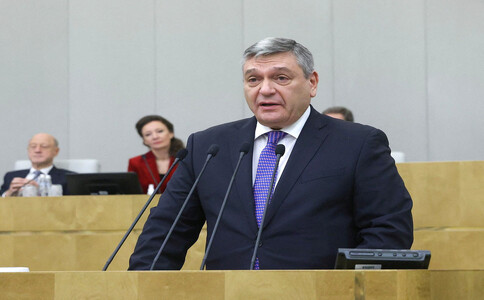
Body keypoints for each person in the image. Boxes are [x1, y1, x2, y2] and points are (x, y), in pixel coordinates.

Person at [129, 37, 413, 270]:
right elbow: (166, 231)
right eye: (253, 80)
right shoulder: (209, 146)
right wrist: (142, 284)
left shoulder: (358, 143)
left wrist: (348, 287)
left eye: (280, 77)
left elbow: (387, 230)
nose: (265, 89)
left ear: (312, 83)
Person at [0, 133, 75, 196]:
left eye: (44, 146)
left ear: (56, 151)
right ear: (28, 150)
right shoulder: (11, 176)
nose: (37, 150)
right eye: (33, 146)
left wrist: (39, 192)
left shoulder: (69, 178)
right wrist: (9, 193)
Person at [128, 115, 185, 194]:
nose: (155, 137)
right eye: (148, 134)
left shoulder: (185, 159)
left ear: (171, 133)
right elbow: (132, 193)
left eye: (160, 131)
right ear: (144, 140)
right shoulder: (136, 163)